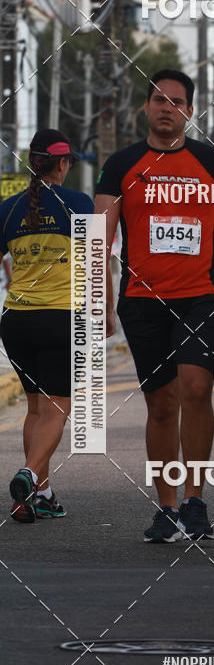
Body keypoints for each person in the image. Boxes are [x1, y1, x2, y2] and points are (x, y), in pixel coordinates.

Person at [94, 69, 214, 543]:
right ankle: (166, 508)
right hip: (142, 301)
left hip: (198, 297)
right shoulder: (121, 164)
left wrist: (212, 254)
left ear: (190, 110)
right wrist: (99, 301)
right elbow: (100, 237)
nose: (168, 107)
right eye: (160, 99)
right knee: (161, 404)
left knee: (196, 388)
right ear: (147, 107)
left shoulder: (212, 161)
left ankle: (195, 500)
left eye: (178, 101)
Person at [0, 128, 93, 523]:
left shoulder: (6, 208)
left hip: (16, 322)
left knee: (36, 410)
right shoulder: (79, 203)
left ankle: (39, 495)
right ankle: (28, 474)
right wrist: (101, 314)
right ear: (63, 163)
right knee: (56, 411)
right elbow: (94, 262)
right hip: (61, 318)